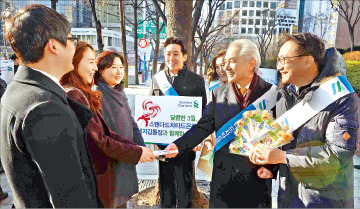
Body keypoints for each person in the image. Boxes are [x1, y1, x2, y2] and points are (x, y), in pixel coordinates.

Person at [0, 4, 102, 207]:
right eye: (72, 39)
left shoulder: (17, 89)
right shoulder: (45, 108)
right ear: (54, 46)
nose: (75, 46)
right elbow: (70, 198)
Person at [249, 33, 360, 208]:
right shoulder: (286, 95)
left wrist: (282, 157)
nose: (279, 67)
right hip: (289, 198)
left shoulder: (341, 97)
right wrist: (272, 165)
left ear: (308, 61)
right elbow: (285, 145)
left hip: (325, 201)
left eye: (284, 59)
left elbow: (338, 154)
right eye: (278, 60)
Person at [165, 39, 276, 208]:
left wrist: (272, 168)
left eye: (232, 61)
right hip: (223, 182)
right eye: (225, 63)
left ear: (251, 64)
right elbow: (203, 126)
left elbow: (282, 136)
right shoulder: (217, 94)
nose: (226, 67)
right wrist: (178, 145)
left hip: (256, 179)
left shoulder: (272, 94)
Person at [60, 42, 155, 208]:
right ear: (74, 63)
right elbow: (101, 140)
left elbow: (112, 130)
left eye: (121, 67)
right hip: (107, 165)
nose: (94, 68)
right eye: (91, 62)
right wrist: (136, 151)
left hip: (122, 155)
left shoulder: (114, 92)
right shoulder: (80, 94)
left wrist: (139, 147)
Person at [149, 36, 207, 208]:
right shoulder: (157, 79)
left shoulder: (196, 80)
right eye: (168, 54)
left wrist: (199, 139)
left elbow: (203, 113)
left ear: (184, 56)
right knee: (165, 190)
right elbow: (151, 109)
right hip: (163, 146)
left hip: (185, 144)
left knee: (184, 190)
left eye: (175, 54)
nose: (171, 58)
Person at [94, 50, 146, 208]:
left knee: (122, 202)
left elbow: (130, 122)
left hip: (125, 159)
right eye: (113, 67)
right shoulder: (96, 94)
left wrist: (141, 146)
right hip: (110, 161)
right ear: (101, 71)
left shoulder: (119, 92)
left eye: (121, 67)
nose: (119, 72)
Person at [196, 50, 228, 179]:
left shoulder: (244, 89)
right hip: (215, 143)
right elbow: (208, 117)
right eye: (217, 67)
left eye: (224, 65)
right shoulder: (214, 89)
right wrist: (208, 140)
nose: (221, 70)